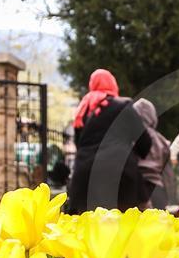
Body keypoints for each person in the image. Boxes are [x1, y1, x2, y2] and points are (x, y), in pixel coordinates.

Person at [65, 69, 152, 213]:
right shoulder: (123, 105)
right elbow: (144, 143)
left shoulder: (84, 110)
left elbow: (79, 144)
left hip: (85, 180)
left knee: (88, 229)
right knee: (135, 224)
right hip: (120, 176)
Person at [133, 98, 172, 209]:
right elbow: (167, 174)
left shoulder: (132, 137)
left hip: (136, 187)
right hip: (157, 188)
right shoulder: (162, 141)